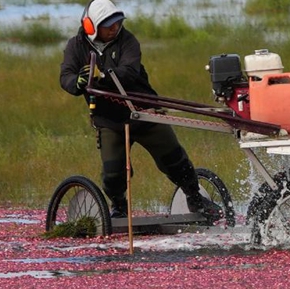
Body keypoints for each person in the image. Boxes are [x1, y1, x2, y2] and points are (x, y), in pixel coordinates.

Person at [59, 0, 218, 219]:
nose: (115, 28)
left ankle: (195, 197)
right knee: (113, 173)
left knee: (174, 160)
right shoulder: (75, 47)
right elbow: (65, 76)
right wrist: (77, 82)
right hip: (109, 121)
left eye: (117, 23)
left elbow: (128, 72)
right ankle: (119, 205)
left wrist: (102, 76)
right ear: (91, 26)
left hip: (144, 113)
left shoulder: (128, 40)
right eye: (108, 25)